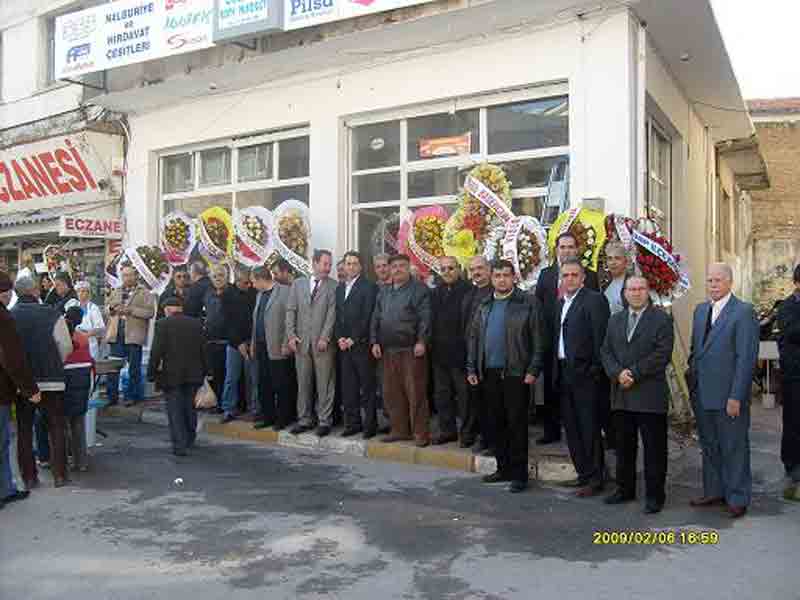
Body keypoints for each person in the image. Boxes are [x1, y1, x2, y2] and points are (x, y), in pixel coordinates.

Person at [687, 263, 759, 518]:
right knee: (710, 445)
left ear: (730, 282)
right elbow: (696, 352)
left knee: (734, 446)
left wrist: (736, 396)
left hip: (729, 396)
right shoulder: (700, 310)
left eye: (718, 280)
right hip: (703, 394)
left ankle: (738, 497)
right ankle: (714, 491)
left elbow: (745, 358)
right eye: (709, 281)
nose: (713, 285)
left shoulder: (743, 312)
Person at [467, 260, 545, 493]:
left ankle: (519, 475)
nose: (502, 279)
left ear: (514, 277)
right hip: (488, 372)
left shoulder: (527, 302)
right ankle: (503, 468)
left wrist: (533, 369)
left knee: (517, 424)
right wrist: (472, 368)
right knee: (495, 423)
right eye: (497, 275)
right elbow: (473, 338)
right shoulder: (484, 303)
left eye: (506, 275)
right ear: (492, 278)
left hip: (516, 373)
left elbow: (539, 340)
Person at [600, 276, 674, 513]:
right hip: (621, 395)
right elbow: (606, 351)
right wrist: (617, 373)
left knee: (654, 450)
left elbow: (662, 354)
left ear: (648, 291)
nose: (636, 293)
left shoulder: (662, 319)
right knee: (624, 447)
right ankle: (625, 489)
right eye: (631, 289)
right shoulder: (615, 320)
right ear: (625, 293)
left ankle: (655, 496)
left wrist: (633, 372)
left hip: (650, 395)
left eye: (641, 288)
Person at [535, 233, 600, 445]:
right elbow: (538, 307)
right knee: (551, 387)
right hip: (551, 340)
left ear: (577, 250)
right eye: (562, 247)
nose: (567, 251)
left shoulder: (589, 276)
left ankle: (583, 436)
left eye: (571, 247)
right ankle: (551, 430)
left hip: (578, 344)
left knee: (580, 399)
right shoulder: (545, 275)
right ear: (556, 250)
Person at [554, 258, 610, 497]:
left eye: (574, 275)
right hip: (564, 372)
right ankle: (583, 473)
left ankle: (596, 478)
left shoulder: (594, 300)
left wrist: (595, 371)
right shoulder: (561, 303)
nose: (570, 279)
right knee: (572, 428)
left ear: (583, 277)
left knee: (588, 427)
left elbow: (601, 340)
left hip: (586, 375)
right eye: (565, 275)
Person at [12, 275, 73, 488]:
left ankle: (29, 477)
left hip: (22, 383)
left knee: (24, 429)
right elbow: (65, 346)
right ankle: (60, 475)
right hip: (52, 380)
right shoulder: (51, 313)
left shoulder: (11, 316)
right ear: (36, 291)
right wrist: (55, 364)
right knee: (56, 425)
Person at [370, 254, 432, 447]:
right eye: (394, 266)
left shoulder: (419, 290)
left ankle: (420, 433)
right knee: (392, 393)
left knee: (415, 393)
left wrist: (422, 341)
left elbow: (426, 318)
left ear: (408, 267)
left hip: (411, 350)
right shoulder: (384, 291)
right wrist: (374, 342)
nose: (397, 269)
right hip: (388, 350)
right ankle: (399, 430)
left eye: (402, 266)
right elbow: (376, 318)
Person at [148, 297, 208, 456]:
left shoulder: (162, 324)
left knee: (175, 410)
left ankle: (179, 444)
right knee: (189, 407)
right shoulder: (196, 323)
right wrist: (208, 371)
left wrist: (151, 373)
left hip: (171, 375)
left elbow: (156, 352)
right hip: (194, 374)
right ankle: (190, 438)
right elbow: (204, 348)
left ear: (167, 310)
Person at [287, 250, 338, 437]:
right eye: (325, 264)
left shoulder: (333, 286)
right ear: (315, 263)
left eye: (329, 264)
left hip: (322, 343)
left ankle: (324, 421)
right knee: (303, 383)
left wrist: (325, 337)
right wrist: (291, 335)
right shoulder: (298, 284)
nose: (328, 268)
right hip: (301, 343)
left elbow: (332, 314)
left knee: (325, 384)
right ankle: (304, 419)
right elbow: (291, 310)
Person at [0, 272, 39, 507]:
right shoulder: (3, 318)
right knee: (1, 442)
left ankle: (6, 488)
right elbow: (13, 358)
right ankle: (4, 490)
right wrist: (29, 388)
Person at [335, 251, 379, 439]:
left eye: (354, 263)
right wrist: (339, 338)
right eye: (347, 263)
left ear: (361, 266)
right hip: (344, 346)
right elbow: (337, 316)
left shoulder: (369, 287)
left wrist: (353, 338)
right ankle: (352, 424)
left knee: (367, 387)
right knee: (349, 387)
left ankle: (370, 425)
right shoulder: (339, 288)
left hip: (361, 345)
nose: (350, 267)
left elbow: (367, 315)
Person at [430, 257, 472, 446]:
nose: (446, 272)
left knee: (464, 397)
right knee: (442, 395)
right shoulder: (435, 292)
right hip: (439, 353)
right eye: (443, 269)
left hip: (460, 353)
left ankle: (467, 433)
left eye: (450, 268)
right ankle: (447, 431)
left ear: (459, 269)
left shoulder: (468, 291)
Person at [250, 267, 294, 431]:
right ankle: (268, 416)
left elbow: (288, 320)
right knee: (264, 383)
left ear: (262, 278)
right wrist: (253, 343)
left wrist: (286, 343)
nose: (253, 285)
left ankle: (283, 418)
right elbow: (256, 321)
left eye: (254, 281)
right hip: (261, 345)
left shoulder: (284, 292)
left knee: (281, 384)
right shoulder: (259, 295)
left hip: (278, 346)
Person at [105, 266, 155, 407]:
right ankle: (112, 396)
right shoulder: (117, 290)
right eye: (124, 275)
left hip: (134, 335)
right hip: (116, 334)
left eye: (129, 275)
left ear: (135, 276)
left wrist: (130, 310)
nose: (126, 278)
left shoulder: (144, 292)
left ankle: (132, 396)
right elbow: (106, 308)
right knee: (113, 367)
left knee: (134, 368)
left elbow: (150, 312)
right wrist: (111, 309)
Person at [462, 255, 494, 455]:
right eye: (473, 269)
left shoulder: (497, 292)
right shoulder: (469, 294)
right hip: (474, 356)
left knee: (494, 402)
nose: (477, 272)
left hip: (493, 356)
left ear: (489, 269)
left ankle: (494, 440)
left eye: (480, 268)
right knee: (477, 400)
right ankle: (481, 436)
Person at [220, 268, 257, 422]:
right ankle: (228, 409)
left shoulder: (254, 293)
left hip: (251, 341)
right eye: (245, 282)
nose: (249, 285)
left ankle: (253, 408)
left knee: (252, 378)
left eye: (250, 282)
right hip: (234, 343)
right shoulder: (227, 295)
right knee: (231, 377)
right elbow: (227, 322)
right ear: (237, 281)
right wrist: (238, 343)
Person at [777, 264, 800, 501]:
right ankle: (792, 464)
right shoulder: (787, 307)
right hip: (795, 376)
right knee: (794, 421)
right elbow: (792, 332)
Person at [62, 306, 93, 473]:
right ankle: (81, 462)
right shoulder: (83, 339)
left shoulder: (60, 340)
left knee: (63, 424)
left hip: (66, 386)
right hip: (82, 386)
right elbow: (90, 363)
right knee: (78, 424)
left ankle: (65, 459)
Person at [204, 264, 230, 415]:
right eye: (215, 276)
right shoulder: (208, 293)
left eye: (221, 275)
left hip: (228, 341)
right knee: (215, 374)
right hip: (211, 340)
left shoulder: (232, 292)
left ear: (226, 276)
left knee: (229, 376)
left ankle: (228, 405)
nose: (218, 278)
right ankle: (218, 403)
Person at [72, 280, 105, 360]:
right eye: (78, 291)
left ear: (88, 293)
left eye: (83, 291)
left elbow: (100, 328)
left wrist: (85, 336)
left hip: (90, 343)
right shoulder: (73, 306)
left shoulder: (94, 308)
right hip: (76, 343)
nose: (80, 293)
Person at [602, 242, 630, 316]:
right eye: (609, 258)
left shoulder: (633, 285)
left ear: (626, 262)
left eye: (617, 258)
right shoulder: (604, 286)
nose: (613, 263)